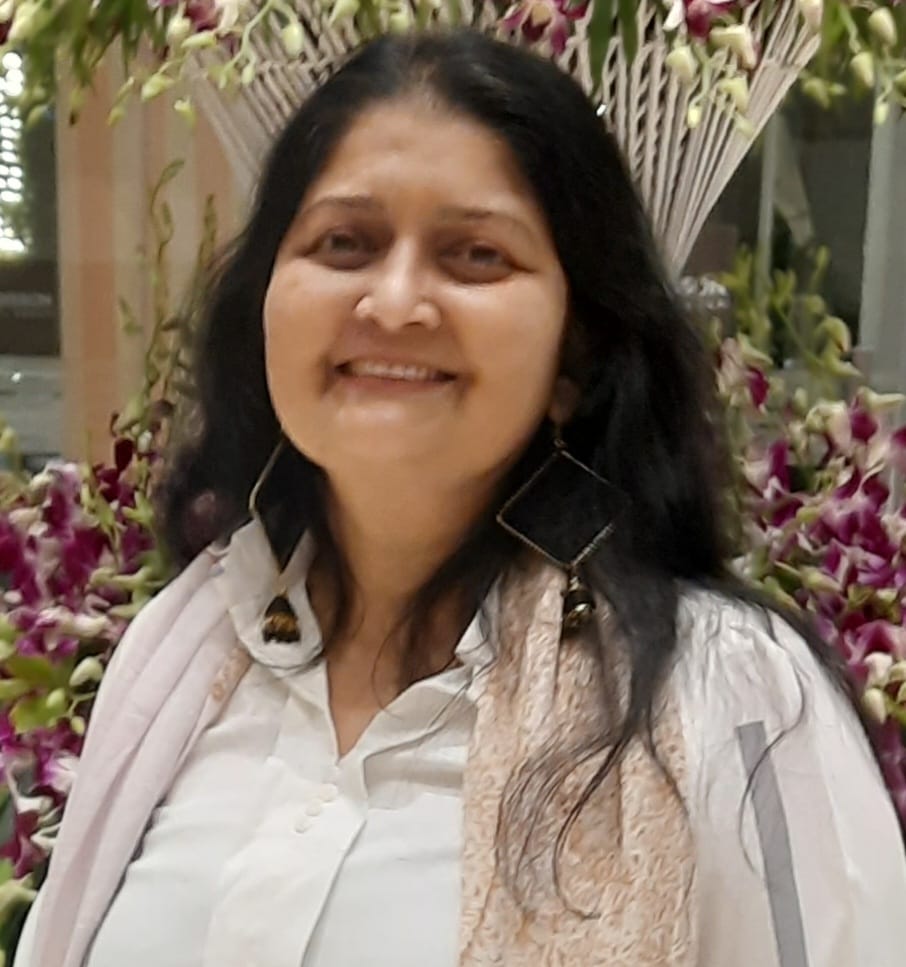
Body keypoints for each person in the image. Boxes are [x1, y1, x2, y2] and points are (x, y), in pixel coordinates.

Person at [14, 28, 906, 967]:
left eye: (476, 254)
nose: (395, 301)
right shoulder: (181, 655)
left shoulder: (731, 699)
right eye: (344, 243)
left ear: (576, 350)